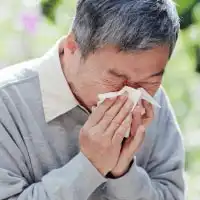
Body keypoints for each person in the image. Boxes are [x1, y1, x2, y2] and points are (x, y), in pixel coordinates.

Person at [0, 0, 185, 200]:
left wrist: (123, 172)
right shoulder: (7, 103)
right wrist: (89, 166)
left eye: (150, 80)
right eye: (115, 78)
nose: (131, 95)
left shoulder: (152, 99)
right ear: (73, 47)